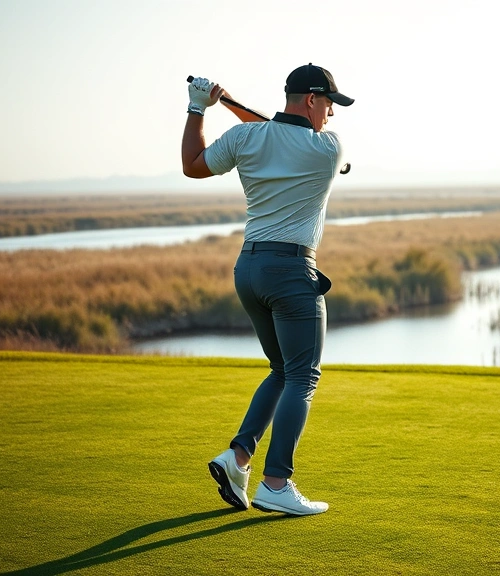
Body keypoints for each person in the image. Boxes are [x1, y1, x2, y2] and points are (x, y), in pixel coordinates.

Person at [181, 64, 353, 516]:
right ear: (312, 100)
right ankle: (276, 483)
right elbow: (278, 132)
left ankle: (237, 459)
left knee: (280, 369)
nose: (332, 114)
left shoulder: (245, 139)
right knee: (303, 375)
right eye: (330, 103)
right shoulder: (329, 148)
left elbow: (193, 167)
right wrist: (233, 105)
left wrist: (200, 108)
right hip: (293, 272)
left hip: (249, 269)